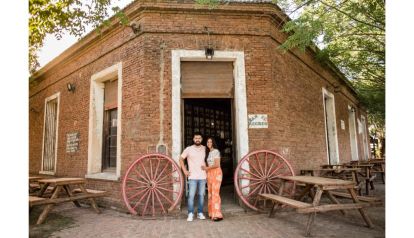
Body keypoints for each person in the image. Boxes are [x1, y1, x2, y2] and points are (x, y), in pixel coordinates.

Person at [179, 132, 207, 222]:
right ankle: (190, 213)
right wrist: (184, 171)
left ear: (201, 139)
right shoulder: (188, 149)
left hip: (203, 176)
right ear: (193, 139)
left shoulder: (205, 149)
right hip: (192, 176)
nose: (197, 139)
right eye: (196, 138)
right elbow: (181, 159)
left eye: (199, 138)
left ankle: (200, 213)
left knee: (201, 196)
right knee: (191, 196)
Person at [201, 137, 223, 221]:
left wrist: (206, 168)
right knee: (210, 193)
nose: (209, 143)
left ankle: (217, 214)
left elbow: (217, 164)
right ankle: (211, 213)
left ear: (213, 143)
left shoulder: (216, 151)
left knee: (215, 193)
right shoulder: (208, 152)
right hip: (209, 173)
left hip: (216, 173)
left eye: (210, 142)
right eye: (208, 142)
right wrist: (207, 169)